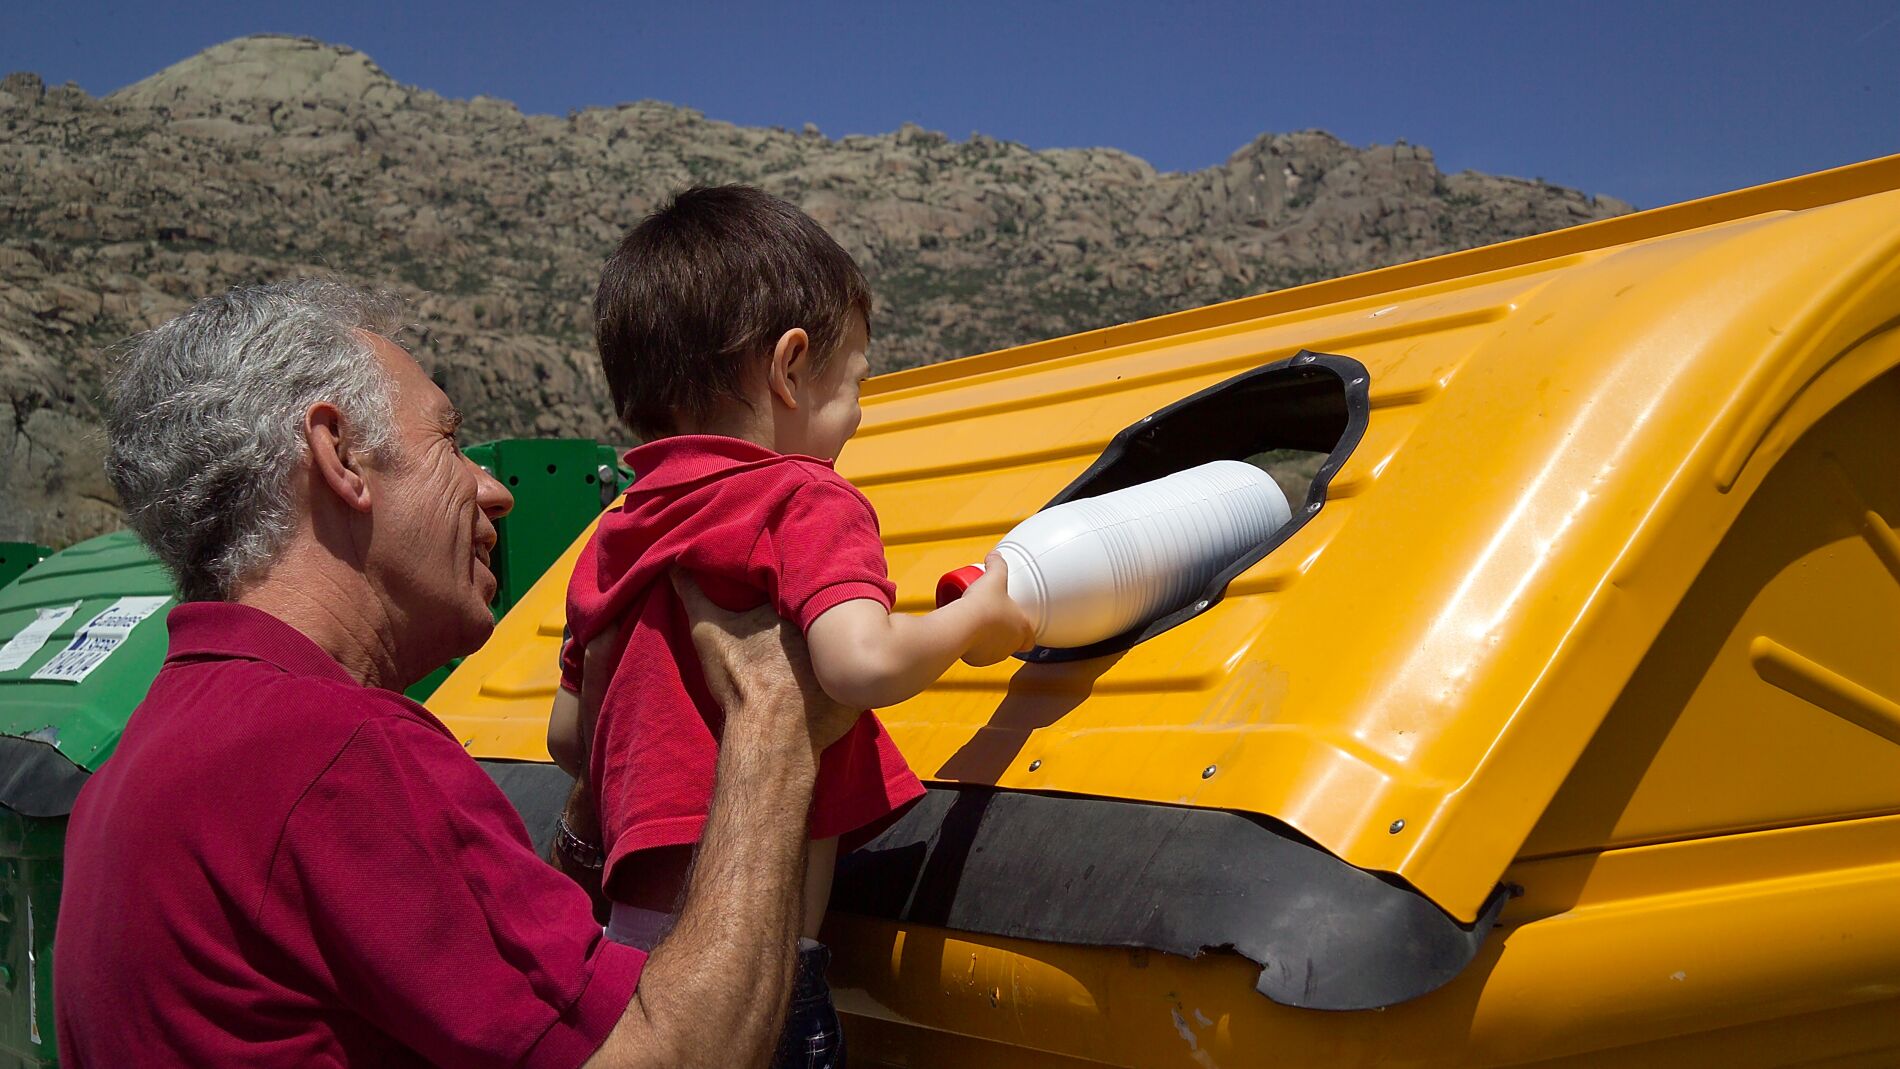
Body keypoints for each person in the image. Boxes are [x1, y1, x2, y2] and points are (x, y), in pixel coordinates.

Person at [54, 279, 850, 1069]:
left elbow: (479, 985)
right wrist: (771, 716)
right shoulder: (337, 753)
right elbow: (671, 1056)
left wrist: (593, 803)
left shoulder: (133, 770)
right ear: (339, 456)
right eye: (450, 441)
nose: (495, 491)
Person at [547, 185, 1034, 1068]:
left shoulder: (616, 530)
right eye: (854, 387)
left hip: (625, 967)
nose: (855, 419)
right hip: (755, 980)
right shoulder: (803, 497)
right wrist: (976, 618)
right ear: (790, 366)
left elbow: (567, 735)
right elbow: (858, 664)